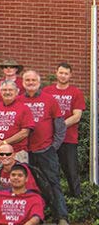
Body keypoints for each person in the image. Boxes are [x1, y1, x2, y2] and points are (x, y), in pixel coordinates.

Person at [20, 69, 70, 225]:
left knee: (53, 182)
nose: (30, 83)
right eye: (27, 80)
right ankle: (31, 217)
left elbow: (60, 126)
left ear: (39, 82)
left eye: (33, 80)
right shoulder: (18, 100)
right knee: (25, 185)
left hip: (45, 150)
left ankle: (61, 216)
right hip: (24, 151)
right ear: (22, 83)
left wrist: (53, 146)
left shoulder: (49, 100)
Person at [43, 62, 85, 197]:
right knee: (48, 171)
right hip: (48, 139)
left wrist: (58, 127)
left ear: (70, 75)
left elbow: (77, 116)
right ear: (56, 73)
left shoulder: (76, 92)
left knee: (71, 171)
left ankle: (76, 199)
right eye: (61, 72)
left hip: (69, 139)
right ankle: (50, 200)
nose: (63, 76)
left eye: (66, 73)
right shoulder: (47, 91)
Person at [0, 81, 33, 165]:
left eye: (10, 90)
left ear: (17, 92)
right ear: (0, 92)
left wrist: (4, 143)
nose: (7, 92)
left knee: (17, 177)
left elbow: (24, 132)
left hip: (17, 152)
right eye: (4, 90)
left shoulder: (24, 108)